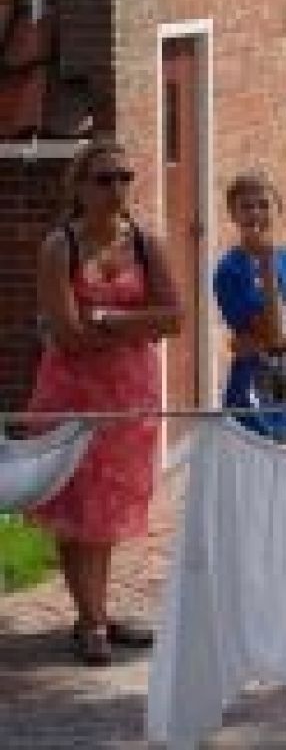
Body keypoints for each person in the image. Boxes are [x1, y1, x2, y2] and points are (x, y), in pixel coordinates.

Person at [26, 139, 183, 665]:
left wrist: (110, 321)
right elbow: (68, 336)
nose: (116, 188)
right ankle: (93, 622)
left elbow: (175, 318)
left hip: (129, 398)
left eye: (124, 178)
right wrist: (139, 325)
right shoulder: (60, 247)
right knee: (77, 508)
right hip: (71, 395)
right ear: (80, 187)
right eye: (104, 179)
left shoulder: (145, 244)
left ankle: (92, 611)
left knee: (107, 512)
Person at [213, 171, 286, 445]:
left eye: (263, 205)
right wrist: (266, 263)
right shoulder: (229, 269)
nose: (256, 213)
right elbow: (272, 330)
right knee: (255, 482)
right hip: (251, 402)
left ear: (277, 209)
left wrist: (261, 340)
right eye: (246, 207)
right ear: (233, 214)